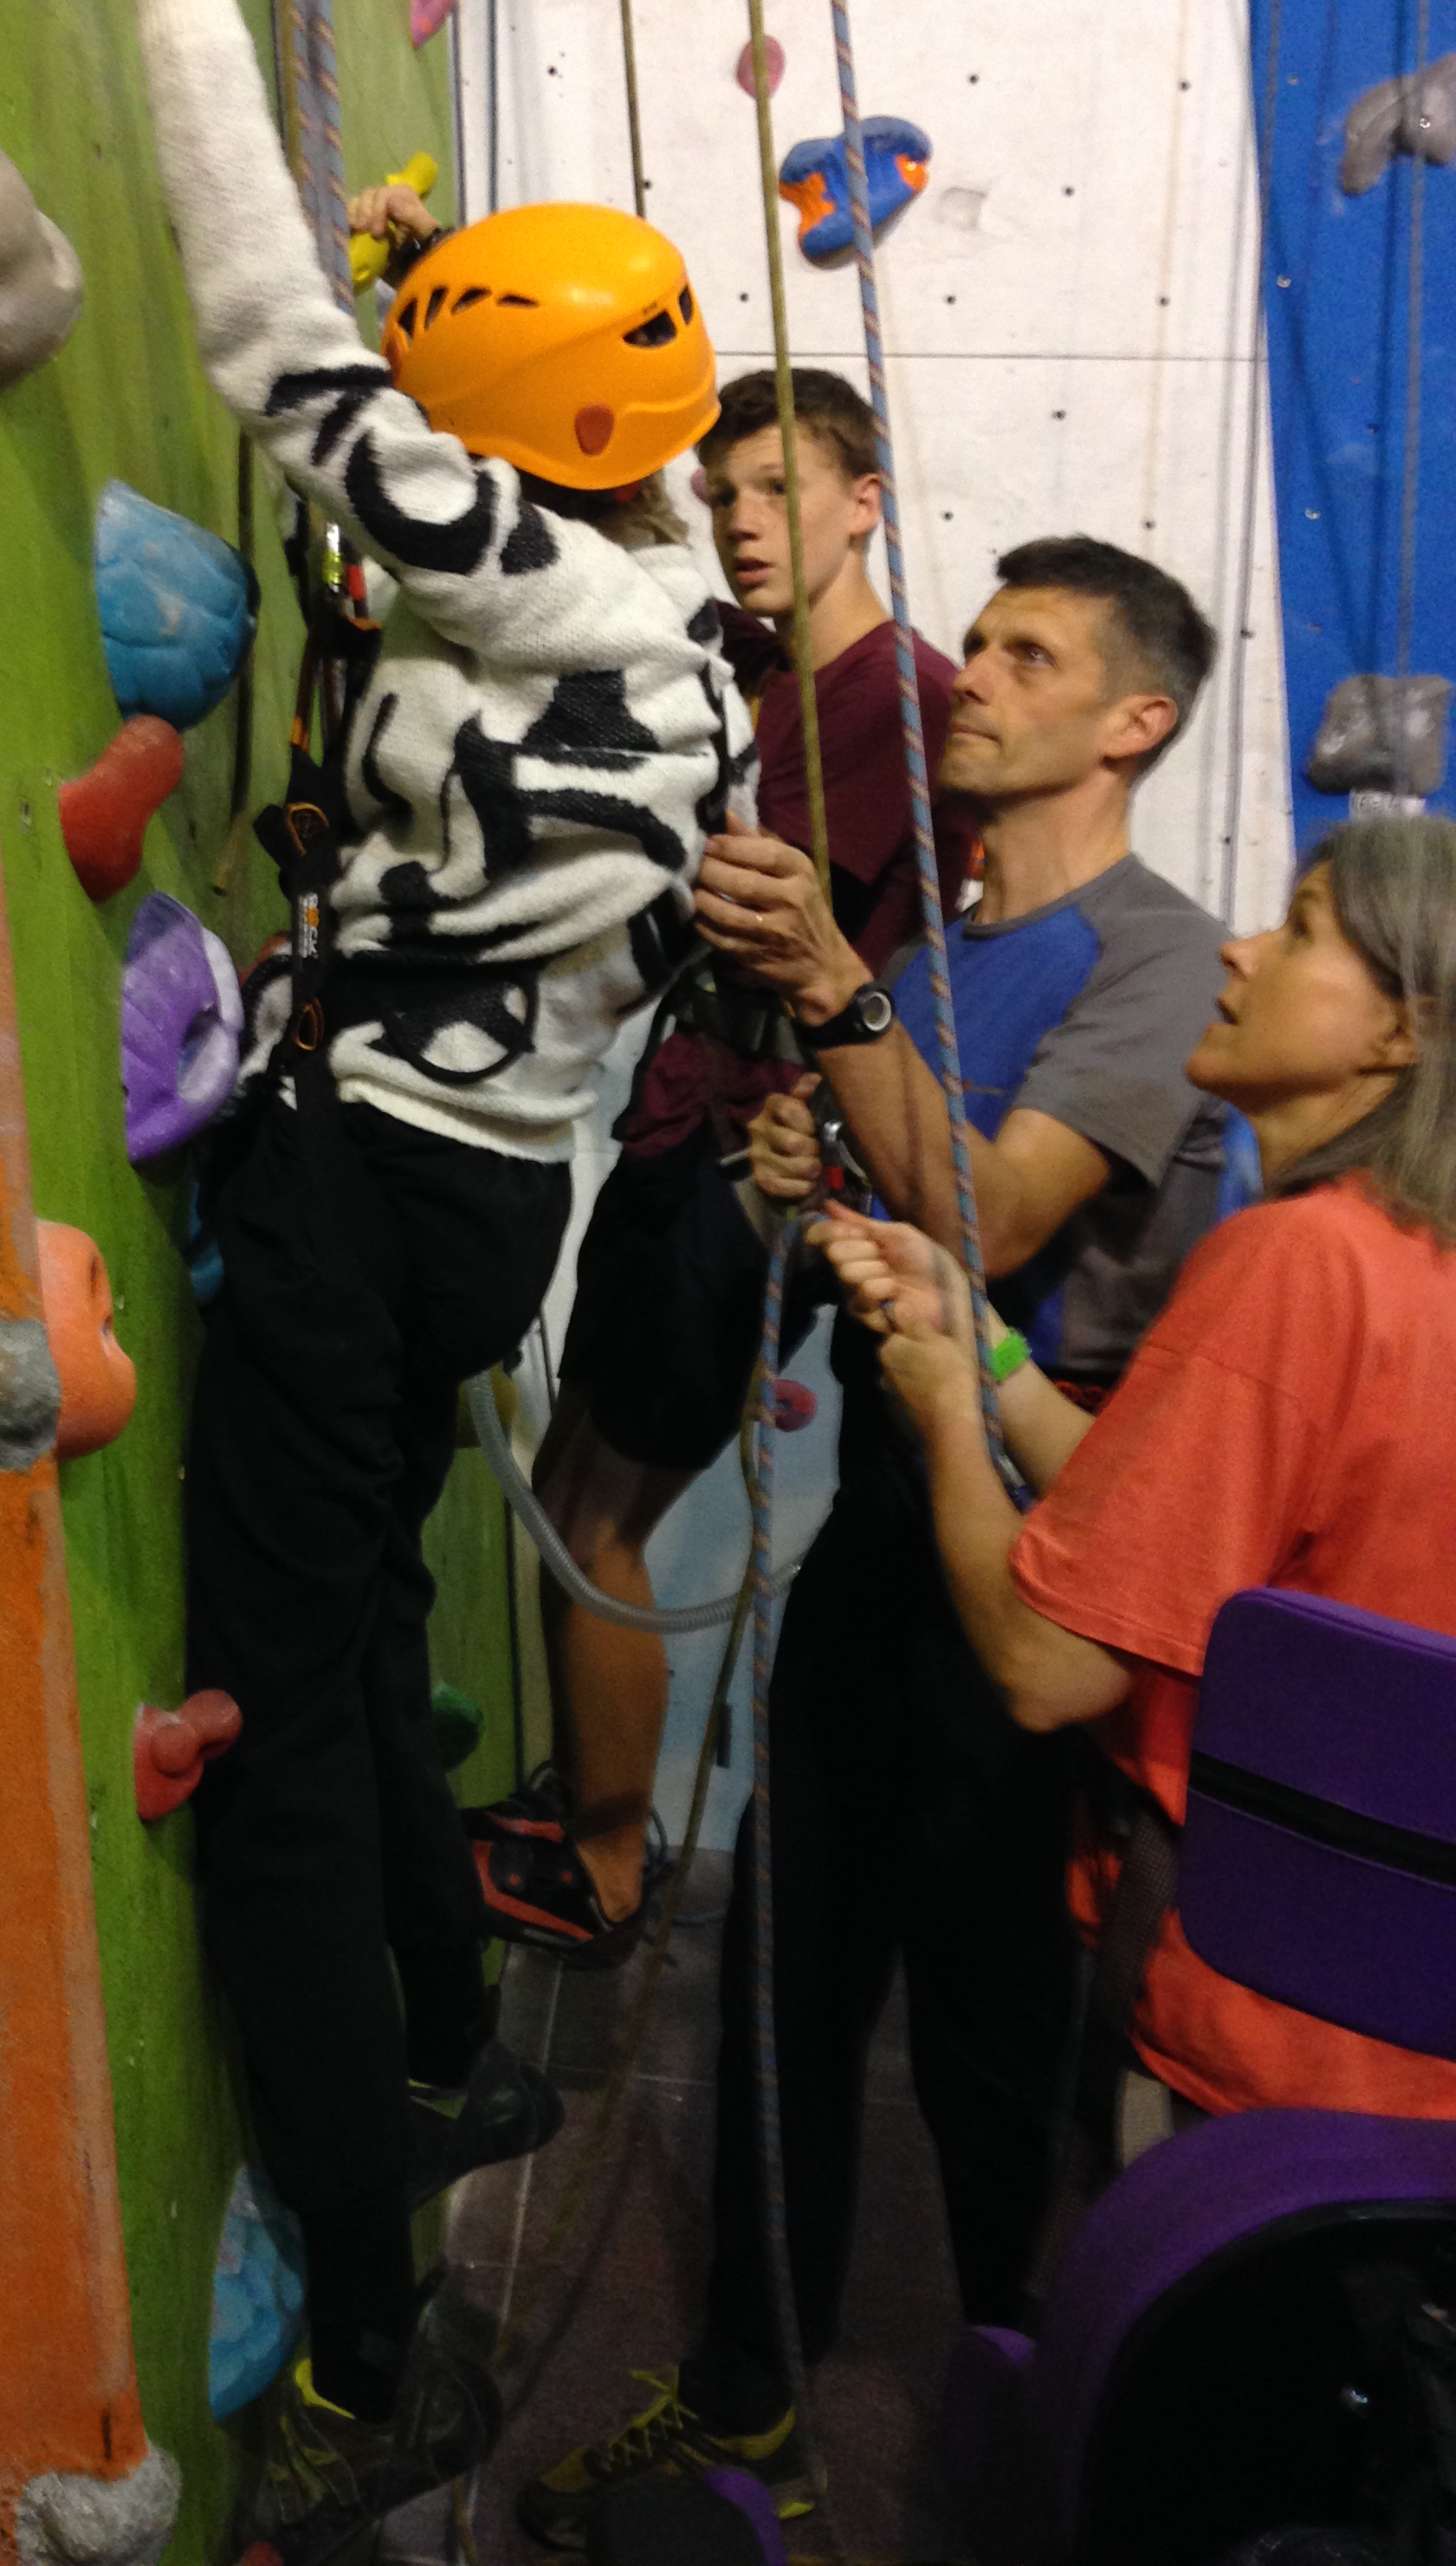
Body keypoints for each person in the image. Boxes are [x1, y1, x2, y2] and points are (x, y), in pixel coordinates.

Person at [81, 0, 752, 2556]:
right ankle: (460, 2033)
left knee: (269, 1734)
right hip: (496, 1194)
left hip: (369, 1180)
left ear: (503, 423)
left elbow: (274, 343)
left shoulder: (514, 565)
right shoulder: (680, 619)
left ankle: (376, 2345)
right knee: (361, 1622)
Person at [521, 537, 1235, 2540]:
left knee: (999, 2051)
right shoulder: (934, 961)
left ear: (1136, 721)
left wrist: (837, 1005)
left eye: (1029, 656)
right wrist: (796, 1164)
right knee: (783, 1982)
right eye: (978, 640)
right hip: (882, 1538)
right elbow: (894, 1195)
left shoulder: (1156, 957)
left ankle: (1035, 2432)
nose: (973, 678)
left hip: (1040, 1564)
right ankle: (745, 2399)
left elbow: (994, 1218)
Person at [817, 813, 1456, 2128]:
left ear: (1402, 1033)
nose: (1241, 951)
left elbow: (1048, 1666)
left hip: (1261, 2010)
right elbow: (1169, 1521)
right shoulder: (1413, 1264)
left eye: (1301, 932)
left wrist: (945, 1415)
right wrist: (986, 1345)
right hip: (1393, 2008)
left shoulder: (1299, 1262)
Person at [466, 367, 972, 1961]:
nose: (743, 524)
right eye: (723, 495)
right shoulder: (747, 665)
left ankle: (610, 1869)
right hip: (686, 1115)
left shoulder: (906, 705)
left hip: (761, 1153)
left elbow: (826, 935)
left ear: (863, 503)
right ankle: (584, 1804)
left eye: (778, 490)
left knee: (600, 1518)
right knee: (575, 1483)